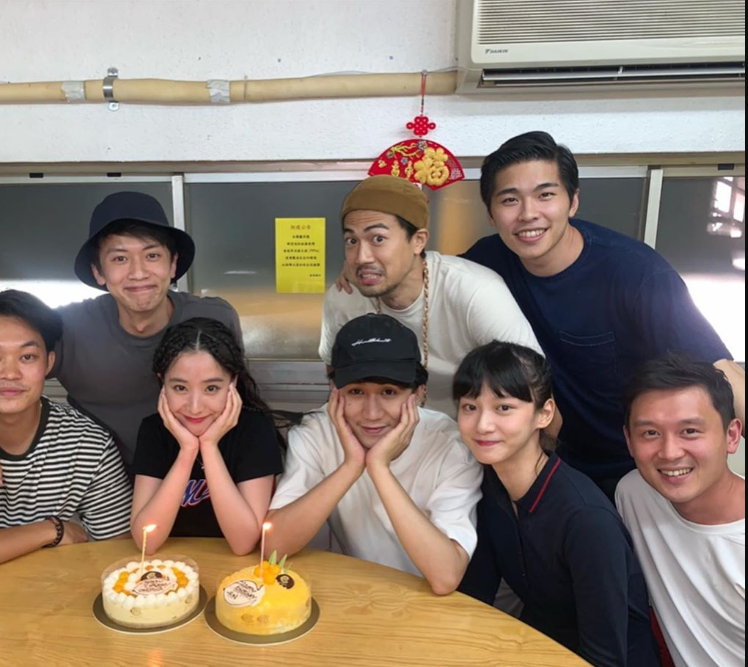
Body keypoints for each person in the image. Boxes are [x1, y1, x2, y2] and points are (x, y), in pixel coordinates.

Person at [462, 131, 744, 498]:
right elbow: (425, 281)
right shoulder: (485, 264)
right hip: (544, 462)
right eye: (510, 200)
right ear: (491, 213)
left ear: (573, 201)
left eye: (545, 195)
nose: (528, 214)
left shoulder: (635, 273)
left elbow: (721, 371)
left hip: (633, 468)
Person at [0, 191, 242, 486]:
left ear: (172, 265)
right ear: (98, 272)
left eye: (152, 255)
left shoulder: (214, 318)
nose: (138, 272)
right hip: (105, 487)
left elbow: (241, 401)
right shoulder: (68, 327)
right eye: (120, 258)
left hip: (208, 481)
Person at [455, 341, 664, 667]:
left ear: (544, 413)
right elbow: (474, 598)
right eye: (470, 407)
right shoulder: (492, 485)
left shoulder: (585, 519)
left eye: (504, 407)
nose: (483, 424)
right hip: (541, 664)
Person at [268, 314, 482, 594]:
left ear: (418, 393)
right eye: (356, 392)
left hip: (426, 599)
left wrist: (379, 468)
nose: (371, 413)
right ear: (334, 391)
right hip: (354, 592)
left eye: (389, 392)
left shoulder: (450, 446)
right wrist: (352, 465)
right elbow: (273, 547)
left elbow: (445, 577)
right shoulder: (316, 432)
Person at [323, 174, 542, 418]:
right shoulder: (344, 298)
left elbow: (530, 388)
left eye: (378, 239)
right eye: (351, 240)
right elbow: (337, 378)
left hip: (473, 432)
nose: (362, 256)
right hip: (382, 429)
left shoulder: (475, 290)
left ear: (418, 241)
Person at [0, 291, 132, 577]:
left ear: (48, 363)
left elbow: (117, 552)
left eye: (27, 357)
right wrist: (50, 530)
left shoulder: (88, 443)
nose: (10, 373)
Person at [617, 355, 745, 667]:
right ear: (629, 441)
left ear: (732, 436)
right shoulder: (634, 495)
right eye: (650, 433)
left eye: (690, 431)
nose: (670, 452)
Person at [131, 318, 282, 556]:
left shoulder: (254, 429)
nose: (195, 407)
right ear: (162, 383)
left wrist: (209, 447)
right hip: (170, 565)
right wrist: (188, 451)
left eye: (211, 388)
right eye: (180, 388)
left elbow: (243, 543)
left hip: (234, 568)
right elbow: (146, 542)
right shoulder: (153, 430)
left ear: (232, 382)